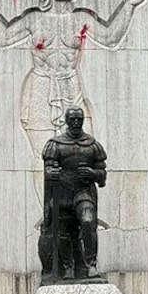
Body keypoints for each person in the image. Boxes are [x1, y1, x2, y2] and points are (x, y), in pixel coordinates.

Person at [0, 0, 148, 157]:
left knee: (85, 150)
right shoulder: (34, 19)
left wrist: (129, 5)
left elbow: (110, 38)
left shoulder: (81, 18)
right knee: (44, 156)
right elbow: (3, 38)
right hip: (40, 86)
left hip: (71, 85)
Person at [39, 106, 107, 281]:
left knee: (88, 221)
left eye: (79, 119)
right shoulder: (56, 144)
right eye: (73, 119)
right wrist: (51, 173)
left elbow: (102, 176)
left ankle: (91, 265)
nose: (76, 122)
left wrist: (92, 174)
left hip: (83, 192)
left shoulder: (92, 145)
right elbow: (48, 170)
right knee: (61, 231)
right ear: (67, 121)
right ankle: (67, 267)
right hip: (62, 193)